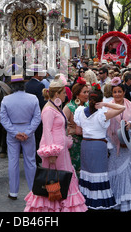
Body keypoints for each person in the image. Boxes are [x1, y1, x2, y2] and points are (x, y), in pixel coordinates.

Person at [24, 74, 87, 212]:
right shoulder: (48, 109)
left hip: (61, 150)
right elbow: (47, 132)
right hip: (55, 152)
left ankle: (60, 207)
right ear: (57, 93)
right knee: (56, 179)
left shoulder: (55, 106)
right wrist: (51, 152)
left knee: (63, 177)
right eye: (64, 93)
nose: (66, 95)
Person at [74, 84, 125, 210]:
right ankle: (98, 201)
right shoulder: (102, 114)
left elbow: (78, 130)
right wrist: (106, 105)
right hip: (98, 145)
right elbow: (122, 107)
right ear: (100, 101)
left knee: (87, 172)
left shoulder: (80, 111)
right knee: (99, 173)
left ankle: (86, 198)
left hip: (85, 144)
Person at [0, 74, 42, 200]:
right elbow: (37, 117)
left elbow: (3, 119)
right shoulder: (33, 98)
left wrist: (14, 132)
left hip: (13, 131)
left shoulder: (6, 99)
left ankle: (13, 192)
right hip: (28, 131)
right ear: (23, 85)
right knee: (30, 162)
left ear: (12, 86)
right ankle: (33, 191)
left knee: (13, 162)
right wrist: (28, 132)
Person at [105, 78, 131, 211]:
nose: (117, 94)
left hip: (128, 143)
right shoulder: (108, 106)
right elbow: (104, 125)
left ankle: (127, 202)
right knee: (114, 171)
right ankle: (115, 200)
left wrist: (130, 125)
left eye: (119, 91)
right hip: (113, 142)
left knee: (127, 170)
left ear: (124, 92)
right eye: (114, 92)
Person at [63, 77, 90, 176]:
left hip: (87, 142)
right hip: (74, 144)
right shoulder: (69, 107)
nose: (87, 94)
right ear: (77, 94)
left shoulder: (88, 106)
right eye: (84, 92)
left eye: (88, 92)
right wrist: (71, 130)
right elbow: (62, 125)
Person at [25, 64, 46, 165]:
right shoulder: (40, 85)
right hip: (37, 115)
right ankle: (37, 159)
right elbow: (42, 103)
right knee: (38, 137)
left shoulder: (26, 85)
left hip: (26, 115)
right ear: (37, 74)